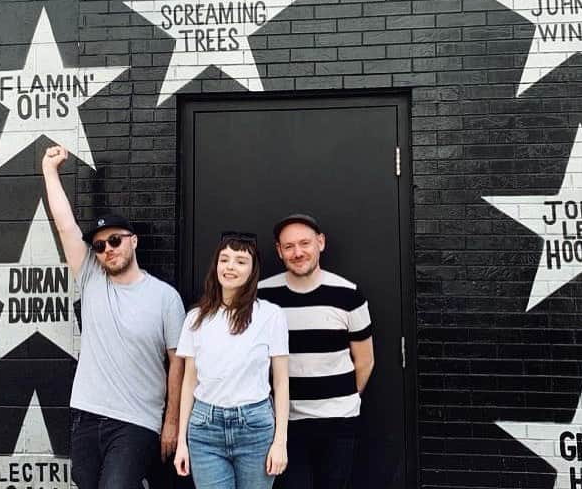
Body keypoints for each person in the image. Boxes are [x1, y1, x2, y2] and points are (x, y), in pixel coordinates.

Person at [41, 144, 186, 489]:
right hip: (87, 415)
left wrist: (172, 422)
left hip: (137, 421)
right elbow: (65, 226)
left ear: (133, 242)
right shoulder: (92, 278)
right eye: (100, 246)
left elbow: (178, 364)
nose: (107, 249)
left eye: (115, 241)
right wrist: (49, 171)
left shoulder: (165, 297)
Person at [257, 213, 374, 489]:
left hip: (338, 421)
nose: (298, 252)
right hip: (284, 424)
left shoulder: (349, 294)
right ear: (279, 251)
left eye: (305, 243)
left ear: (320, 243)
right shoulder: (262, 296)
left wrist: (345, 399)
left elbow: (365, 360)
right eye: (289, 246)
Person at [173, 232, 289, 489]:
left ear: (252, 269)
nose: (230, 267)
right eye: (224, 259)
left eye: (240, 261)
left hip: (255, 426)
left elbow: (281, 383)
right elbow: (189, 381)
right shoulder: (196, 318)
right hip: (205, 429)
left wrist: (280, 442)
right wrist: (182, 441)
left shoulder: (271, 316)